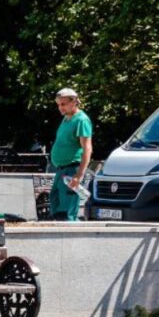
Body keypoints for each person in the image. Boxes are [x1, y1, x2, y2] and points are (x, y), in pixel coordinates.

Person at [49, 87, 93, 222]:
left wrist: (79, 175)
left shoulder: (81, 120)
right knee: (55, 202)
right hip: (61, 169)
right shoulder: (66, 118)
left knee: (67, 212)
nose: (60, 108)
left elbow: (87, 148)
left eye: (63, 104)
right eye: (58, 105)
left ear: (73, 102)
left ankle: (71, 237)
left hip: (71, 169)